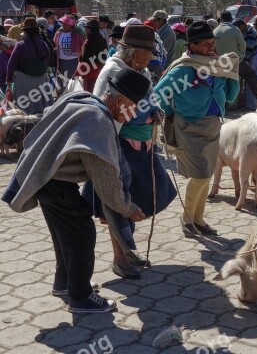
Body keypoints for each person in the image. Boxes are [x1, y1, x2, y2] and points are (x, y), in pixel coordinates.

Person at [2, 67, 150, 313]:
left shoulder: (83, 99)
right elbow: (106, 181)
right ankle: (80, 297)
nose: (134, 113)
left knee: (64, 236)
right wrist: (127, 207)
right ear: (121, 101)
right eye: (134, 107)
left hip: (46, 177)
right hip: (53, 181)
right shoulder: (99, 122)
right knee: (81, 234)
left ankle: (64, 284)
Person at [91, 24, 176, 277]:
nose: (152, 57)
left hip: (142, 151)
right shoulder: (113, 72)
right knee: (120, 206)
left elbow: (149, 98)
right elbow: (105, 114)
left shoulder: (141, 71)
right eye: (148, 52)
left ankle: (129, 253)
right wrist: (140, 119)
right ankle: (121, 260)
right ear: (135, 52)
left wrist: (155, 111)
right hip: (120, 150)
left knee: (136, 204)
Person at [154, 21, 239, 238]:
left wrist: (233, 73)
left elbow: (230, 96)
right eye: (205, 44)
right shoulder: (184, 69)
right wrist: (170, 114)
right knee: (200, 175)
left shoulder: (217, 66)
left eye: (212, 42)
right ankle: (187, 219)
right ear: (191, 46)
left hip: (213, 126)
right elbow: (159, 95)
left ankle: (198, 220)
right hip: (190, 127)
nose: (211, 47)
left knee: (207, 173)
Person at [214, 11, 257, 108]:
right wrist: (241, 56)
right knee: (251, 75)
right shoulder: (235, 29)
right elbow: (243, 45)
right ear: (231, 19)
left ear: (221, 19)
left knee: (222, 83)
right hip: (235, 61)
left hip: (219, 62)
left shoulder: (215, 31)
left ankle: (224, 105)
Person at [6, 17, 52, 114]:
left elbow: (11, 63)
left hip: (23, 80)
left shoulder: (21, 45)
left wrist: (9, 79)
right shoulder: (43, 44)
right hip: (42, 79)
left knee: (24, 106)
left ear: (25, 31)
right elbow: (47, 60)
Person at [233, 18, 257, 110]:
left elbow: (249, 48)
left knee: (252, 81)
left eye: (238, 28)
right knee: (249, 82)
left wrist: (243, 60)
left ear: (242, 25)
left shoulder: (250, 31)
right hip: (250, 57)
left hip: (253, 57)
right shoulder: (247, 31)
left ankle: (252, 105)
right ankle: (248, 104)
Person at [76, 19, 108, 93]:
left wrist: (77, 73)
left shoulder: (88, 42)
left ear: (89, 29)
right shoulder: (103, 39)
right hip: (100, 70)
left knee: (88, 92)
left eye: (86, 28)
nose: (85, 30)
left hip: (89, 71)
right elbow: (105, 55)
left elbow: (84, 60)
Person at [54, 14, 86, 83]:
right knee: (60, 81)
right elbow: (55, 44)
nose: (64, 25)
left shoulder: (78, 33)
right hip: (61, 61)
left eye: (66, 24)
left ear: (71, 25)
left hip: (74, 61)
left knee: (72, 81)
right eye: (63, 23)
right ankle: (61, 93)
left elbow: (83, 46)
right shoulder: (59, 32)